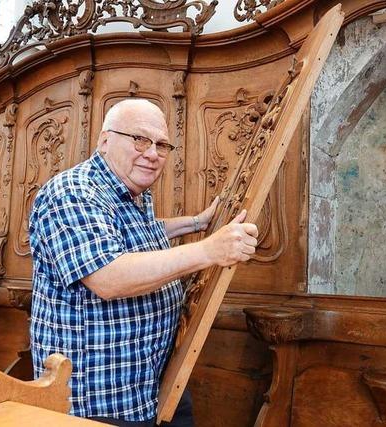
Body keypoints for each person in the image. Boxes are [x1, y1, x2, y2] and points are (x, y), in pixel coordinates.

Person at [29, 99, 259, 426]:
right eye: (139, 139)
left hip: (152, 387)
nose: (152, 153)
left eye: (161, 144)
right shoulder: (73, 192)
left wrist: (195, 223)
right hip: (98, 403)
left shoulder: (132, 191)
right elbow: (108, 277)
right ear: (105, 141)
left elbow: (135, 233)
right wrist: (210, 251)